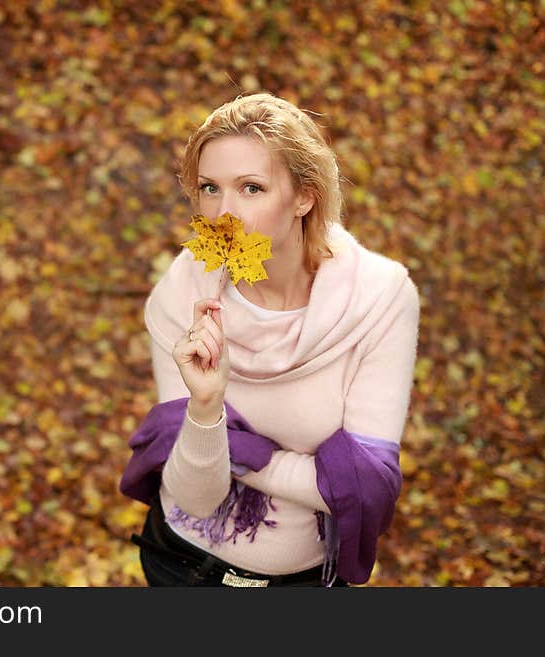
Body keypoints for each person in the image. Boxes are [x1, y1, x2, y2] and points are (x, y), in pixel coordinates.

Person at [119, 92, 420, 587]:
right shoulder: (185, 288)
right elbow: (194, 496)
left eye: (252, 188)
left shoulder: (380, 299)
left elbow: (367, 486)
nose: (224, 213)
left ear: (304, 197)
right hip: (181, 564)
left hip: (302, 580)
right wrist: (207, 406)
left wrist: (247, 456)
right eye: (210, 188)